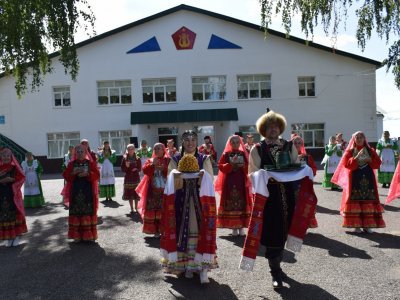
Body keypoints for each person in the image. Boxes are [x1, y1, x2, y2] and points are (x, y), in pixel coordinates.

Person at [241, 110, 317, 289]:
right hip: (269, 198)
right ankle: (274, 272)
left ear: (280, 128)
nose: (273, 129)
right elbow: (252, 174)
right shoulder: (257, 148)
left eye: (275, 126)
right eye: (269, 127)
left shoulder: (289, 145)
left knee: (285, 231)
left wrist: (302, 168)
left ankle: (278, 266)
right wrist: (266, 176)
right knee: (273, 233)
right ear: (264, 129)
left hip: (288, 194)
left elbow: (294, 167)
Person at [161, 130, 217, 284]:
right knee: (181, 231)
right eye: (187, 140)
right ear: (182, 142)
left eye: (193, 140)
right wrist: (178, 177)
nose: (190, 143)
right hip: (181, 201)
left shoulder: (204, 158)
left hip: (200, 202)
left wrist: (201, 177)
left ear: (197, 142)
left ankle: (202, 269)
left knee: (202, 230)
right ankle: (187, 266)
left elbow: (210, 179)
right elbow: (170, 179)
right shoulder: (175, 159)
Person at [331, 131, 385, 233]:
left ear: (364, 139)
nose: (359, 139)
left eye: (361, 137)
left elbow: (377, 164)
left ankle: (368, 225)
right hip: (355, 178)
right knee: (355, 199)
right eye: (357, 137)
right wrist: (355, 158)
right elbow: (347, 165)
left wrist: (369, 160)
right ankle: (356, 225)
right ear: (354, 139)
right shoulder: (350, 152)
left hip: (368, 177)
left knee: (368, 198)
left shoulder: (370, 151)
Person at [214, 135, 252, 236]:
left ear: (240, 143)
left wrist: (243, 165)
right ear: (230, 143)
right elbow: (220, 166)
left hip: (241, 180)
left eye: (237, 142)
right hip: (229, 181)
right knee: (230, 202)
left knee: (242, 202)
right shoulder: (226, 154)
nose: (235, 144)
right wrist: (230, 165)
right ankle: (233, 228)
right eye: (233, 142)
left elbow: (249, 167)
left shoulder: (244, 154)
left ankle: (241, 227)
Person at [63, 144, 100, 241]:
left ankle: (88, 236)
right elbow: (66, 175)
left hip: (87, 191)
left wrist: (88, 174)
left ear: (85, 153)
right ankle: (77, 236)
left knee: (87, 210)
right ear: (75, 153)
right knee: (76, 211)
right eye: (78, 152)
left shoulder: (90, 163)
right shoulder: (72, 164)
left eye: (81, 151)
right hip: (75, 191)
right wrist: (73, 174)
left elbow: (97, 175)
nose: (80, 154)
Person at [136, 143, 169, 236]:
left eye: (159, 148)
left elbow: (172, 172)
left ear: (163, 150)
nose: (157, 150)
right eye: (155, 149)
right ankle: (154, 230)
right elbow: (145, 171)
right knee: (152, 208)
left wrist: (164, 169)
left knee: (163, 208)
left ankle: (163, 230)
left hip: (165, 190)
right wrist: (153, 165)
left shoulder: (168, 160)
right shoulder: (150, 160)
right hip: (152, 189)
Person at [0, 148, 27, 247]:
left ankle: (16, 236)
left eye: (8, 155)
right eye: (3, 155)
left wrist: (12, 179)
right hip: (1, 195)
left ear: (11, 157)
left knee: (14, 214)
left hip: (13, 194)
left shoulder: (15, 167)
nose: (6, 157)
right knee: (4, 215)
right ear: (1, 157)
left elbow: (22, 177)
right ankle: (8, 237)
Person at [291, 134, 318, 228]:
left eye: (299, 143)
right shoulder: (287, 156)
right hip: (291, 185)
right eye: (295, 143)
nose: (297, 144)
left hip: (304, 185)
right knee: (292, 205)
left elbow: (314, 170)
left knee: (304, 205)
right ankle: (292, 225)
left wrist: (307, 171)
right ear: (292, 144)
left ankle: (303, 225)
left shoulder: (307, 157)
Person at [121, 144, 141, 214]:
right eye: (129, 149)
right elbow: (123, 169)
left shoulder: (137, 158)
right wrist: (126, 166)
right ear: (127, 150)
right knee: (130, 193)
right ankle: (132, 208)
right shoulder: (125, 158)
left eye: (132, 149)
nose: (130, 150)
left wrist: (136, 169)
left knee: (136, 193)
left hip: (136, 177)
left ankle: (136, 208)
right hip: (128, 177)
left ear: (134, 149)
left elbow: (140, 168)